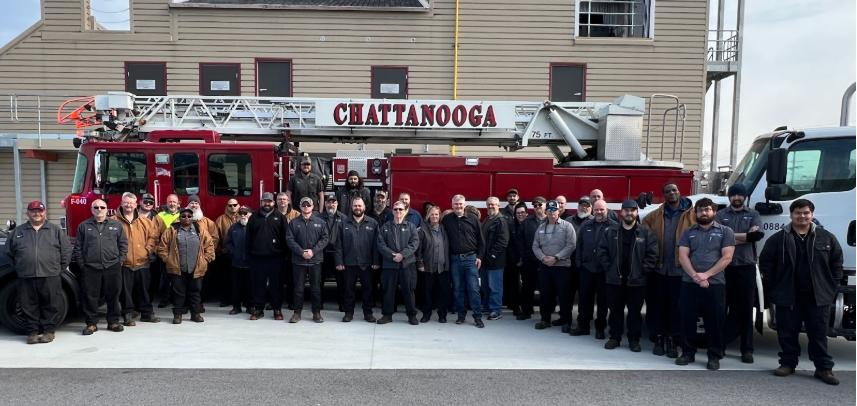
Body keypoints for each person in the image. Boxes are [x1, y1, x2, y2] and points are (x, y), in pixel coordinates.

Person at [759, 199, 844, 385]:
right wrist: (774, 287)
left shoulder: (826, 237)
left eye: (806, 213)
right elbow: (766, 264)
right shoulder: (778, 239)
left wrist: (832, 286)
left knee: (818, 333)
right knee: (787, 332)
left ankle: (823, 369)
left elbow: (837, 263)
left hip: (817, 295)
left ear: (812, 214)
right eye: (798, 213)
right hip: (788, 295)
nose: (802, 216)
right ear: (791, 215)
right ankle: (788, 364)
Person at [676, 198, 735, 370]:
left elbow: (727, 257)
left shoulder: (726, 232)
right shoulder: (688, 232)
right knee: (687, 318)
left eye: (707, 209)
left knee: (715, 320)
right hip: (689, 282)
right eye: (700, 210)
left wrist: (706, 275)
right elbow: (683, 256)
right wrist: (695, 276)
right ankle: (687, 353)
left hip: (715, 283)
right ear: (695, 213)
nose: (704, 213)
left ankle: (714, 355)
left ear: (714, 212)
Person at [641, 182, 696, 358]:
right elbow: (644, 243)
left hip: (681, 270)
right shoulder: (652, 217)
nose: (671, 193)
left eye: (674, 190)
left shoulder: (693, 215)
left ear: (679, 192)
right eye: (667, 191)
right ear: (663, 195)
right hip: (658, 269)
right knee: (656, 305)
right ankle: (658, 338)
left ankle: (672, 339)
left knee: (676, 307)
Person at [5, 201, 71, 344]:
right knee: (28, 305)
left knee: (51, 304)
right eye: (33, 211)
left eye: (39, 211)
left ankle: (48, 331)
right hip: (26, 275)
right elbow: (9, 253)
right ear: (28, 213)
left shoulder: (55, 230)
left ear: (45, 212)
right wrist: (20, 267)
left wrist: (58, 268)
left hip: (50, 275)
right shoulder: (18, 231)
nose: (37, 213)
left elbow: (66, 252)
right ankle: (32, 332)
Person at [598, 200, 659, 352]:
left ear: (637, 213)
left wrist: (642, 270)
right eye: (626, 210)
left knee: (634, 312)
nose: (629, 213)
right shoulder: (611, 231)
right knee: (615, 311)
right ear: (621, 213)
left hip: (636, 281)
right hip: (615, 280)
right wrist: (609, 268)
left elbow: (653, 254)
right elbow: (602, 251)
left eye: (633, 210)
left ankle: (633, 340)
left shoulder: (645, 233)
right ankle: (615, 338)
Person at [716, 184, 764, 363]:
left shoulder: (754, 214)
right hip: (725, 267)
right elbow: (717, 236)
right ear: (729, 197)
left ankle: (747, 349)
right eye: (733, 194)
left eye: (740, 195)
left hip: (746, 267)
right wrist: (744, 235)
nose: (736, 197)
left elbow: (756, 237)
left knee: (746, 310)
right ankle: (720, 347)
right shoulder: (720, 215)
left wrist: (730, 236)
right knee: (722, 308)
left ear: (744, 197)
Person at [74, 199, 128, 335]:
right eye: (96, 207)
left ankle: (113, 321)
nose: (99, 209)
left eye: (102, 207)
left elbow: (123, 245)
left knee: (113, 295)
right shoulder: (83, 226)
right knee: (90, 296)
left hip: (112, 266)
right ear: (92, 209)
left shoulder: (116, 225)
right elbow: (78, 247)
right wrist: (82, 264)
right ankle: (91, 323)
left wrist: (119, 261)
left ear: (106, 209)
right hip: (91, 268)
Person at [157, 207, 216, 324]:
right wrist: (168, 260)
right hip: (178, 267)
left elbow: (209, 246)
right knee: (178, 292)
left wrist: (206, 259)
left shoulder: (200, 230)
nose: (186, 218)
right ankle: (177, 315)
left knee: (195, 292)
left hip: (196, 267)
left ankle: (195, 314)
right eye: (183, 216)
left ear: (192, 218)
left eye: (189, 216)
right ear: (179, 218)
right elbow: (162, 247)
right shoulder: (172, 230)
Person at [112, 192, 160, 326]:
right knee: (125, 292)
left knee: (145, 290)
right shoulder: (113, 221)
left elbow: (153, 237)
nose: (128, 205)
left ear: (135, 205)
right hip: (124, 263)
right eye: (126, 202)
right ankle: (128, 314)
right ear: (122, 203)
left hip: (142, 261)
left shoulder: (145, 222)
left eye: (131, 203)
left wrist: (147, 250)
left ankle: (147, 314)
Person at [570, 199, 616, 338]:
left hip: (604, 270)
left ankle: (600, 329)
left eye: (602, 209)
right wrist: (579, 264)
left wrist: (611, 268)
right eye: (597, 209)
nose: (599, 212)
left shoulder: (614, 227)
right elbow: (579, 246)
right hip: (587, 269)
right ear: (592, 210)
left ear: (606, 210)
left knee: (603, 301)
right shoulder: (586, 225)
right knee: (584, 299)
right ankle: (583, 326)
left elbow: (616, 250)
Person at [442, 195, 486, 328]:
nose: (458, 206)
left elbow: (481, 239)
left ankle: (477, 317)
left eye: (460, 204)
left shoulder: (473, 218)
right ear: (452, 205)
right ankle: (461, 316)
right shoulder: (447, 220)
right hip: (455, 259)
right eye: (456, 204)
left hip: (471, 259)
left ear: (465, 204)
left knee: (473, 289)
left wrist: (480, 256)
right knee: (458, 289)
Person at [532, 200, 576, 332]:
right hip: (545, 266)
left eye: (554, 210)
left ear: (559, 211)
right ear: (546, 212)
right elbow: (535, 246)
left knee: (564, 295)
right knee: (545, 294)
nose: (552, 213)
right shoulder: (540, 228)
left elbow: (571, 245)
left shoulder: (567, 226)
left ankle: (566, 321)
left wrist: (556, 257)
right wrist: (543, 258)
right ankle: (545, 320)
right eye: (549, 210)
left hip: (561, 266)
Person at [334, 197, 380, 322]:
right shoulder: (343, 223)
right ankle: (348, 313)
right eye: (355, 206)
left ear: (364, 207)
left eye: (360, 206)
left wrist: (376, 261)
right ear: (352, 207)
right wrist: (339, 261)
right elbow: (338, 244)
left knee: (368, 289)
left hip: (367, 263)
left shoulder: (373, 223)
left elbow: (377, 244)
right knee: (348, 290)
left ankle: (368, 313)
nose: (357, 208)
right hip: (349, 263)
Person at [245, 192, 289, 321]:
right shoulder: (253, 217)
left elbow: (285, 238)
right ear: (261, 202)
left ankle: (277, 309)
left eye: (269, 201)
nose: (267, 203)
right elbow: (248, 238)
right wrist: (248, 255)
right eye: (265, 201)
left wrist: (285, 255)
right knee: (258, 285)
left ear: (273, 203)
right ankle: (258, 309)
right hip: (257, 258)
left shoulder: (280, 217)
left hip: (276, 258)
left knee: (277, 285)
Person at [376, 200, 421, 325]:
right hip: (390, 265)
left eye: (401, 209)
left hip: (407, 264)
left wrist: (402, 255)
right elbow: (380, 244)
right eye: (396, 209)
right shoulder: (385, 227)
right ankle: (387, 315)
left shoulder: (411, 227)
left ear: (405, 211)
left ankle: (412, 315)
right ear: (392, 211)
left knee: (409, 290)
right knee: (388, 291)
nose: (398, 211)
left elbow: (414, 244)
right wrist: (392, 256)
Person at [286, 197, 330, 323]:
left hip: (315, 260)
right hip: (298, 261)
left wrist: (313, 251)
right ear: (300, 207)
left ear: (312, 206)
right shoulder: (293, 222)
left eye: (308, 204)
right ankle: (297, 313)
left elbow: (325, 239)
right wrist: (301, 252)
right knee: (298, 288)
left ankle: (316, 313)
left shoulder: (320, 222)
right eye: (303, 204)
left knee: (316, 288)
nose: (306, 206)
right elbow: (289, 239)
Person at [415, 205, 451, 323]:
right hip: (427, 268)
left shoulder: (445, 229)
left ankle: (442, 315)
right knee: (427, 292)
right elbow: (418, 250)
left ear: (439, 216)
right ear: (428, 216)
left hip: (442, 268)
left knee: (443, 292)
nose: (434, 216)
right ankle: (426, 314)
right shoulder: (422, 230)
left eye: (436, 214)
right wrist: (420, 264)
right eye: (432, 214)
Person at [186, 194, 219, 313]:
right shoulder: (179, 221)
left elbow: (214, 239)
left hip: (202, 260)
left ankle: (199, 303)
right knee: (185, 282)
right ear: (187, 205)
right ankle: (186, 304)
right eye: (191, 203)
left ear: (199, 206)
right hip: (185, 259)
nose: (194, 205)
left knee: (201, 284)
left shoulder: (208, 223)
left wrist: (206, 256)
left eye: (196, 203)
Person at [517, 196, 547, 320]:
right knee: (527, 287)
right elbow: (520, 240)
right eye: (535, 206)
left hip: (546, 260)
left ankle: (546, 313)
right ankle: (526, 312)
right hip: (530, 259)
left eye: (540, 205)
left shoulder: (551, 221)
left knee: (545, 288)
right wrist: (524, 255)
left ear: (545, 205)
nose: (537, 207)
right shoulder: (527, 222)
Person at [481, 197, 509, 320]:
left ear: (498, 205)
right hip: (486, 261)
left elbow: (503, 241)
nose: (490, 207)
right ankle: (487, 306)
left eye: (493, 205)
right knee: (486, 287)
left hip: (495, 261)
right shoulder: (487, 219)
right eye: (488, 205)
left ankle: (496, 310)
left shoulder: (501, 221)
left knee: (495, 287)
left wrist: (491, 255)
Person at [319, 194, 347, 311]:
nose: (331, 205)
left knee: (341, 281)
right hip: (322, 254)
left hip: (337, 254)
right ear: (325, 204)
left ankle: (342, 304)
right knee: (320, 280)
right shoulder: (318, 218)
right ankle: (319, 303)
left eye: (333, 202)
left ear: (337, 204)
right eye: (329, 202)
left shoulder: (344, 218)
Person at [155, 194, 182, 308]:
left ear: (178, 204)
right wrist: (160, 252)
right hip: (165, 251)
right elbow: (155, 234)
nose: (172, 204)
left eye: (174, 202)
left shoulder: (183, 215)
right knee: (165, 277)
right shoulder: (159, 216)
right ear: (166, 203)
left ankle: (177, 299)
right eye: (170, 202)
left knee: (179, 278)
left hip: (180, 252)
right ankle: (164, 299)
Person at [225, 206, 253, 315]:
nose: (243, 215)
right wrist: (234, 253)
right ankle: (236, 307)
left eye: (245, 213)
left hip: (251, 264)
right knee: (236, 286)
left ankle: (250, 306)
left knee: (250, 287)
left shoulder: (254, 227)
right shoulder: (233, 228)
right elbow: (228, 243)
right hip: (236, 263)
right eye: (241, 213)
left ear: (250, 214)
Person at [503, 202, 528, 316]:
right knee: (514, 284)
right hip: (514, 261)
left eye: (522, 212)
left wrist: (524, 258)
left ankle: (527, 306)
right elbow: (509, 244)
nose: (520, 215)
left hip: (528, 260)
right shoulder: (510, 225)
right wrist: (515, 260)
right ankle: (515, 306)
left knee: (527, 284)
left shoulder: (530, 225)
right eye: (518, 213)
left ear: (526, 213)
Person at [277, 192, 300, 310]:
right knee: (277, 279)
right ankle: (276, 302)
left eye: (284, 199)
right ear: (276, 201)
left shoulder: (296, 214)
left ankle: (292, 301)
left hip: (292, 251)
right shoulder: (272, 215)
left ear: (288, 201)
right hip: (276, 252)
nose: (282, 201)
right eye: (280, 199)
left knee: (292, 279)